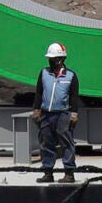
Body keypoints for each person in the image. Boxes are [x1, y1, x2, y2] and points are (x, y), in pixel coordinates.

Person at [30, 43, 80, 183]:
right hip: (46, 114)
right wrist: (36, 109)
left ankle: (69, 173)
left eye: (53, 58)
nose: (50, 61)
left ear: (60, 59)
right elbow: (39, 92)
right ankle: (48, 172)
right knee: (46, 143)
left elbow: (74, 97)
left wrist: (74, 114)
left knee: (66, 143)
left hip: (63, 114)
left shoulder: (70, 76)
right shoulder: (44, 73)